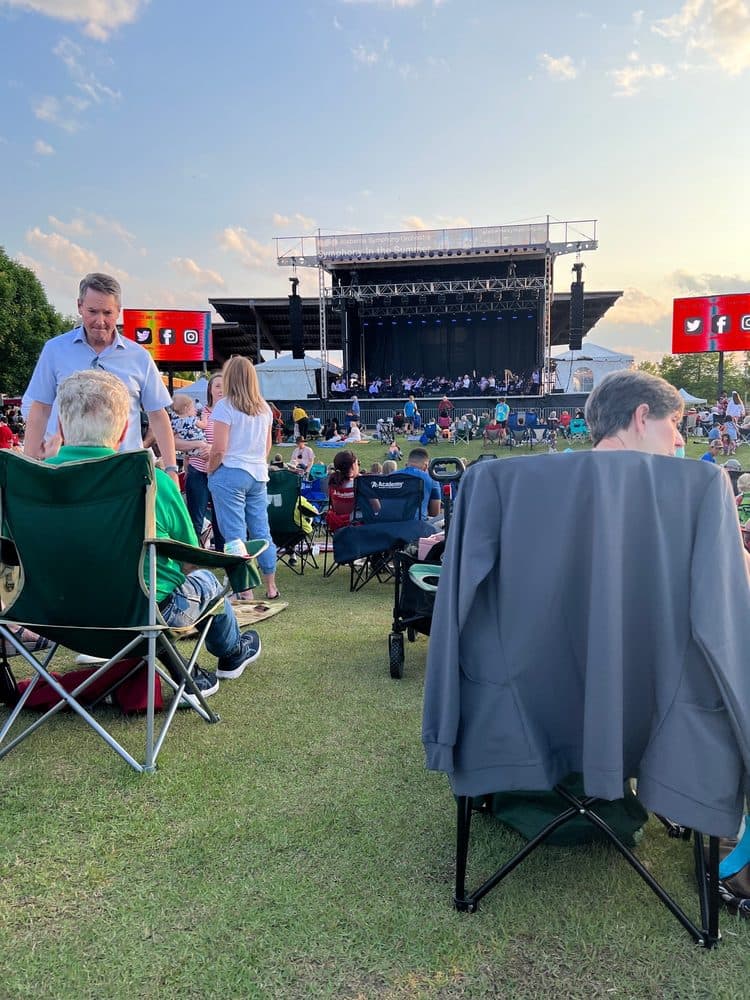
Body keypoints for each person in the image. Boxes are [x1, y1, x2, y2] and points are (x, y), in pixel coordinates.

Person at [48, 369, 262, 701]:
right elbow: (189, 559)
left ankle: (192, 666)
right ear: (123, 431)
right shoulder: (150, 480)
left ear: (61, 429)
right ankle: (231, 652)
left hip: (59, 619)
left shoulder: (30, 482)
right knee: (205, 579)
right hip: (141, 618)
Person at [23, 272, 178, 479]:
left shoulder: (139, 356)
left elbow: (158, 415)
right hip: (65, 472)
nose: (100, 321)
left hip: (123, 474)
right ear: (79, 306)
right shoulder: (54, 350)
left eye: (107, 312)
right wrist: (28, 467)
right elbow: (40, 410)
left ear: (118, 311)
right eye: (92, 311)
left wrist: (171, 469)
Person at [208, 357, 280, 601]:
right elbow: (267, 446)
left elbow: (219, 449)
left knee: (234, 535)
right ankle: (271, 586)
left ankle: (244, 590)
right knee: (262, 531)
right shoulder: (264, 408)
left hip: (230, 472)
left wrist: (210, 470)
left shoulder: (224, 406)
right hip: (257, 474)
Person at [178, 373, 225, 550]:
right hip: (198, 471)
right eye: (217, 386)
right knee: (195, 520)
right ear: (210, 390)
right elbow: (178, 439)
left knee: (221, 521)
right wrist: (198, 446)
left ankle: (222, 557)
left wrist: (213, 449)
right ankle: (193, 558)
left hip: (221, 471)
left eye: (224, 386)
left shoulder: (232, 414)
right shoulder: (198, 414)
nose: (221, 390)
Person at [400, 447, 441, 520]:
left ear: (407, 464)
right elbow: (434, 513)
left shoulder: (391, 476)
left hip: (389, 524)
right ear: (426, 466)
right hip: (417, 524)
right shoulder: (432, 479)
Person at [326, 450, 360, 531]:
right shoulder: (360, 485)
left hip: (338, 528)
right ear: (353, 466)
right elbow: (377, 508)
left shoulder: (333, 485)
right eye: (358, 463)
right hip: (357, 528)